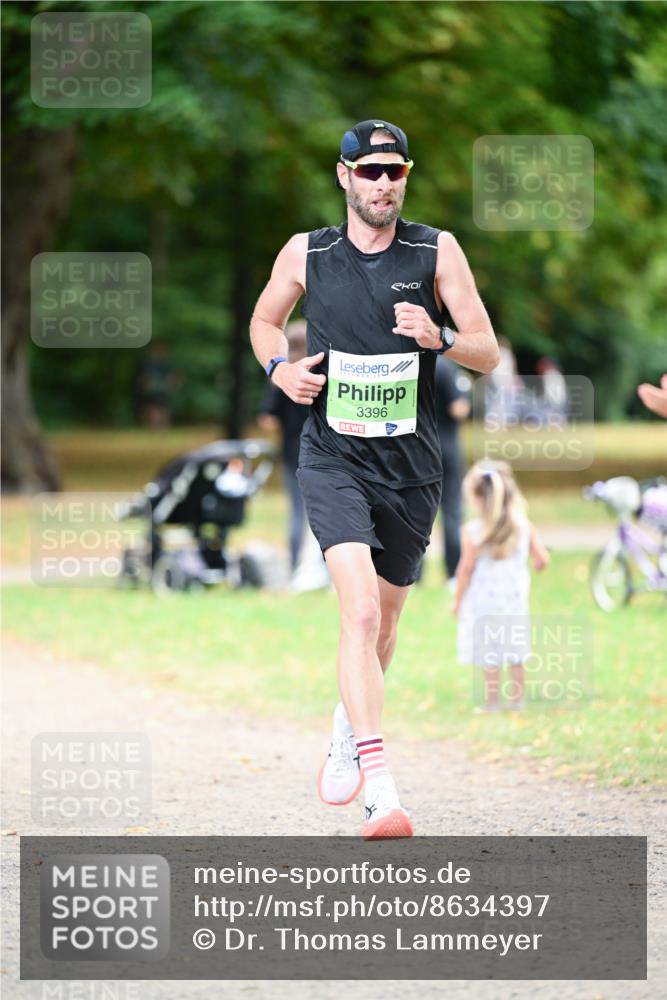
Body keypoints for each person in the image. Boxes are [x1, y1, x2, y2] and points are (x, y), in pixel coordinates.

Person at [249, 119, 499, 839]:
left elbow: (484, 347)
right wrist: (279, 368)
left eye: (394, 172)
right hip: (332, 458)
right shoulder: (307, 252)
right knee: (357, 613)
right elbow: (265, 323)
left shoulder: (435, 250)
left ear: (405, 177)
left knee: (384, 624)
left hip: (412, 467)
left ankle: (345, 723)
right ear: (343, 176)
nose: (382, 183)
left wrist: (441, 339)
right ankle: (380, 790)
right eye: (369, 172)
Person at [452, 460, 549, 711]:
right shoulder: (523, 526)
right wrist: (536, 564)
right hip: (514, 601)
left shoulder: (473, 531)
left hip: (484, 604)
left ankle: (492, 703)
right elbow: (542, 559)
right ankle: (518, 701)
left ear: (478, 499)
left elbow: (465, 570)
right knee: (516, 652)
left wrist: (457, 600)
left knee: (490, 654)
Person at [258, 320, 310, 572]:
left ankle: (294, 564)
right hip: (322, 450)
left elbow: (267, 420)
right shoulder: (320, 372)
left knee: (297, 510)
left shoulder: (282, 377)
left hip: (291, 450)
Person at [434, 356, 471, 588]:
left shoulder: (407, 363)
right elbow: (458, 408)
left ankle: (414, 573)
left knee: (415, 513)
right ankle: (453, 572)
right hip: (447, 446)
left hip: (418, 448)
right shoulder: (446, 367)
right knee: (452, 511)